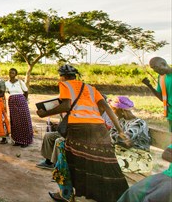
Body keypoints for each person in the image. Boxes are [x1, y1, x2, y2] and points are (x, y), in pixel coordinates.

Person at [37, 64, 130, 202]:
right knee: (105, 163)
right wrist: (121, 131)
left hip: (79, 128)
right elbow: (107, 108)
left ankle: (66, 194)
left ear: (63, 76)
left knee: (70, 162)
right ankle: (119, 196)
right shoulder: (91, 88)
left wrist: (45, 113)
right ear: (76, 75)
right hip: (99, 128)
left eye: (61, 77)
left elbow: (67, 105)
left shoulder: (65, 85)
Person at [109, 96, 152, 174]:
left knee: (110, 164)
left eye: (113, 110)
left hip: (140, 158)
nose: (113, 113)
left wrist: (117, 137)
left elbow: (124, 139)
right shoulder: (121, 121)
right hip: (125, 153)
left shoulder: (138, 123)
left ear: (121, 110)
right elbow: (112, 135)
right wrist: (118, 137)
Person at [142, 56, 172, 132]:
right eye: (153, 68)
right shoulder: (161, 78)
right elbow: (163, 98)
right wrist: (149, 86)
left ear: (163, 63)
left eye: (156, 67)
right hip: (170, 114)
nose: (155, 70)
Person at [5, 68, 33, 147]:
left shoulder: (20, 82)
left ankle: (26, 141)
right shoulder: (6, 83)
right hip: (12, 102)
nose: (11, 74)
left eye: (13, 73)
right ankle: (17, 140)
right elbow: (9, 92)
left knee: (24, 121)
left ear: (16, 74)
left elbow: (26, 91)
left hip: (21, 101)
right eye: (10, 72)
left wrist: (25, 100)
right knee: (15, 121)